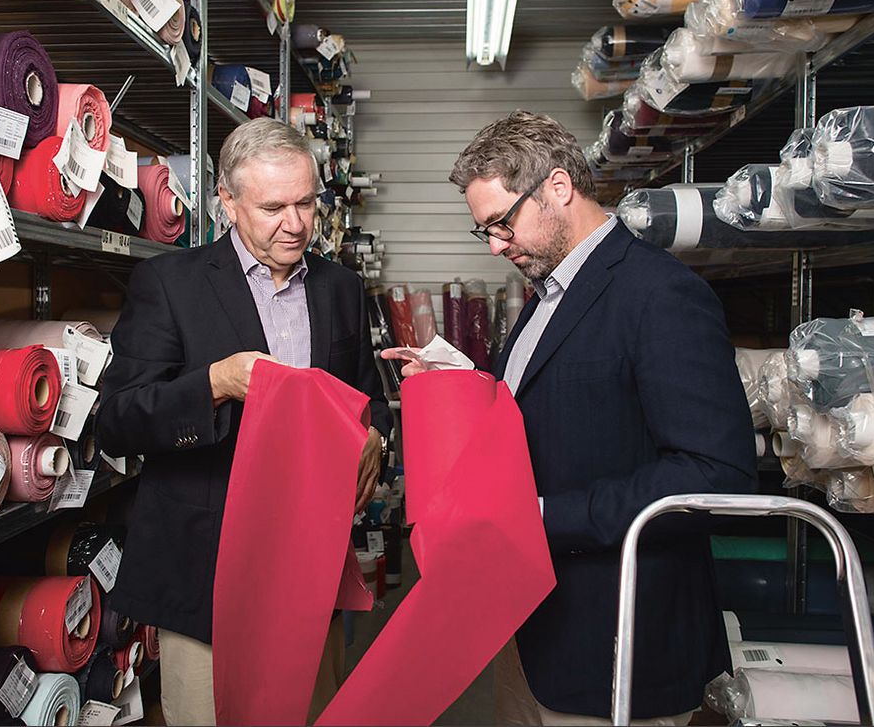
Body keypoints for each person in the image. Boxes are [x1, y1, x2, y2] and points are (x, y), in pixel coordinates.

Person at [385, 111, 757, 725]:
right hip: (533, 630)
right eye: (487, 233)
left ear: (558, 187)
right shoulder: (549, 297)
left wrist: (541, 517)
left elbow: (715, 473)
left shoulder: (658, 294)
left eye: (502, 224)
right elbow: (548, 409)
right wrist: (462, 385)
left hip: (613, 641)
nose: (498, 246)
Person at [96, 117, 392, 726]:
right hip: (208, 570)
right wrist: (215, 385)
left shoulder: (340, 289)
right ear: (226, 202)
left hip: (310, 566)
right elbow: (117, 419)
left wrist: (374, 436)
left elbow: (369, 398)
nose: (296, 224)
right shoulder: (170, 283)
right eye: (273, 207)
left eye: (307, 203)